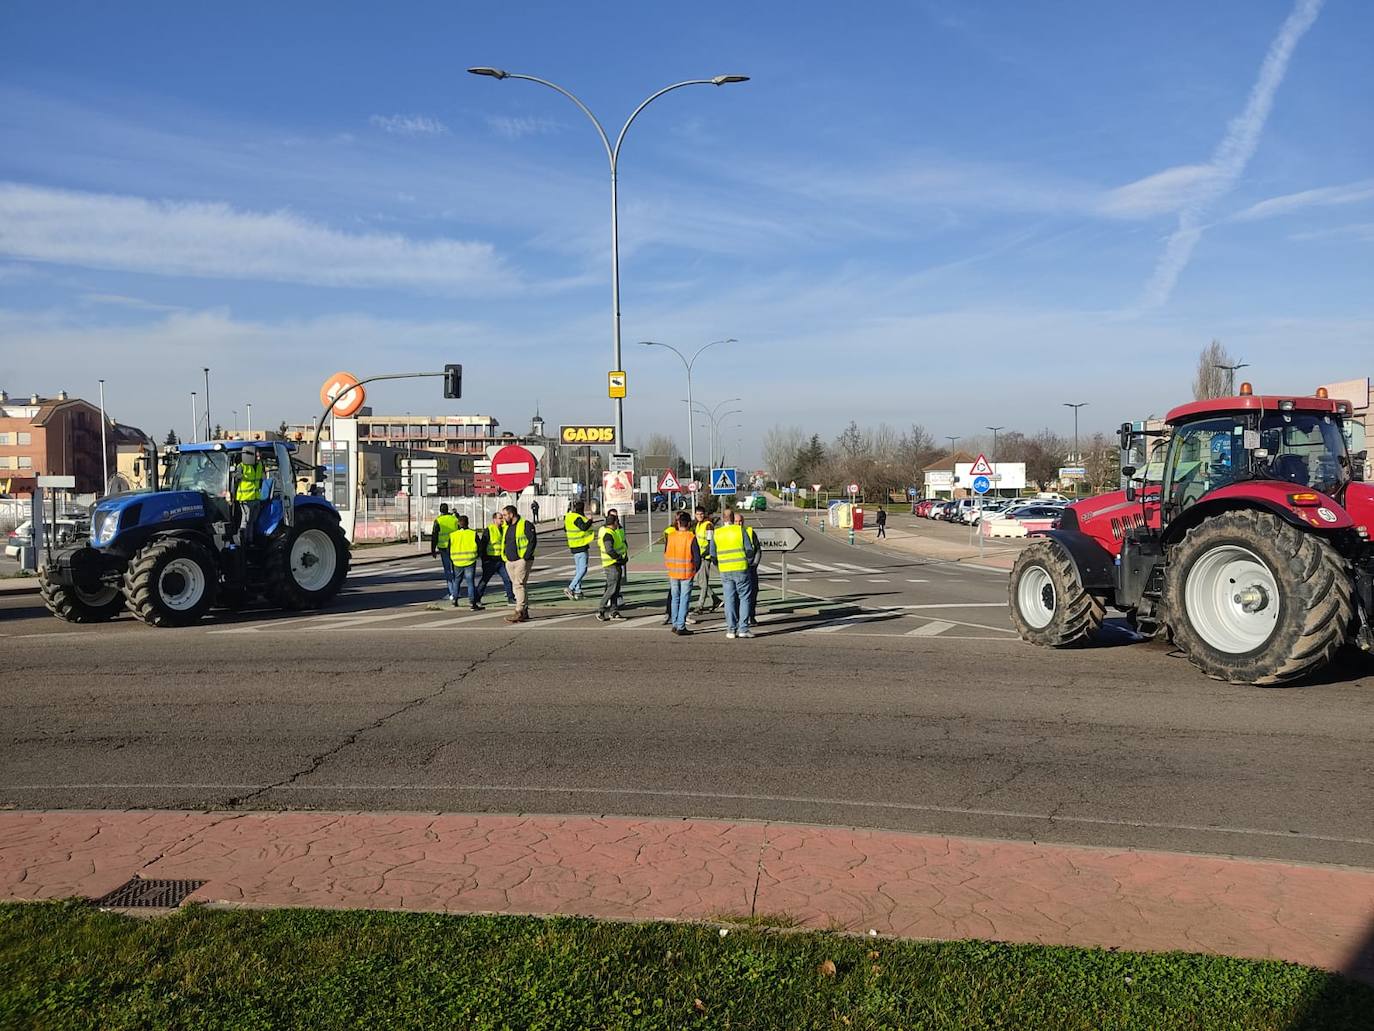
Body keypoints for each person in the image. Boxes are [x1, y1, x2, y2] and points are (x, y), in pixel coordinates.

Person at [712, 508, 756, 639]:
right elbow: (749, 550)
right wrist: (748, 563)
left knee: (729, 599)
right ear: (732, 519)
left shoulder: (717, 533)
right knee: (744, 598)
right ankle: (743, 629)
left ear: (722, 519)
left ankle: (731, 629)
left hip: (725, 570)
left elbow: (713, 554)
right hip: (741, 568)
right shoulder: (740, 530)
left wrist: (719, 565)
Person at [664, 511, 701, 635]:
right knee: (684, 599)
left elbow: (666, 552)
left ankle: (675, 623)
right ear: (689, 524)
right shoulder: (691, 537)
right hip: (687, 572)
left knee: (675, 598)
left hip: (673, 572)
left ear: (678, 523)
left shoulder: (671, 536)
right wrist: (695, 570)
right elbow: (697, 558)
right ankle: (681, 625)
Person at [502, 504, 537, 623]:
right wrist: (505, 557)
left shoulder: (525, 524)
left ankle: (519, 610)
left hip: (521, 560)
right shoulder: (507, 527)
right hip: (510, 560)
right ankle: (524, 611)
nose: (504, 517)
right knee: (517, 586)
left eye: (505, 515)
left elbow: (532, 540)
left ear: (511, 514)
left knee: (519, 584)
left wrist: (525, 557)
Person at [595, 509, 628, 621]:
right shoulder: (608, 533)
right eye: (616, 520)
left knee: (615, 589)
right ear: (613, 523)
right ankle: (601, 610)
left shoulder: (614, 531)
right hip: (611, 563)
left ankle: (613, 611)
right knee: (612, 589)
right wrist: (619, 558)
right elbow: (609, 549)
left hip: (615, 563)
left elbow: (622, 543)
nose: (618, 522)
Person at [477, 511, 516, 605]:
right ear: (494, 520)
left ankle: (511, 598)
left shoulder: (504, 529)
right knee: (485, 580)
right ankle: (477, 598)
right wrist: (484, 559)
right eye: (500, 518)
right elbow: (483, 544)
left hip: (501, 559)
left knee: (507, 579)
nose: (502, 520)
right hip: (490, 560)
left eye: (502, 518)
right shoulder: (489, 530)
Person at [233, 445, 267, 546]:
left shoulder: (260, 465)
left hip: (256, 497)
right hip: (245, 498)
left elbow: (262, 479)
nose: (258, 458)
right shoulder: (242, 466)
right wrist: (240, 476)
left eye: (259, 456)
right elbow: (236, 476)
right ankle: (242, 541)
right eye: (256, 456)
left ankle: (250, 540)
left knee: (252, 521)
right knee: (246, 520)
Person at [563, 501, 596, 600]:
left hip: (573, 546)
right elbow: (584, 527)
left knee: (578, 570)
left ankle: (578, 591)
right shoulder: (577, 518)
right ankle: (570, 588)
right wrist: (590, 520)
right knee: (583, 570)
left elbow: (565, 529)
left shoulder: (569, 517)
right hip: (581, 545)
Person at [691, 505, 719, 621]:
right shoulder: (698, 525)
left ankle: (699, 606)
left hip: (705, 557)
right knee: (699, 580)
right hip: (699, 556)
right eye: (697, 514)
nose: (699, 516)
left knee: (703, 581)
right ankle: (716, 599)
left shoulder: (708, 525)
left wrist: (704, 554)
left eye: (701, 514)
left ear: (704, 514)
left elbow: (710, 542)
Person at [448, 515, 482, 610]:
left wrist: (452, 559)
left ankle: (454, 600)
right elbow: (479, 547)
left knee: (457, 581)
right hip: (470, 561)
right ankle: (472, 602)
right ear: (468, 523)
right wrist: (478, 556)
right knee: (470, 582)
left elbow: (448, 548)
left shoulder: (453, 535)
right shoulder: (472, 534)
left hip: (457, 562)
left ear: (459, 523)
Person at [736, 510, 762, 629]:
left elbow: (757, 549)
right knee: (736, 595)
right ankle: (738, 618)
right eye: (736, 521)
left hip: (750, 569)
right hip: (736, 569)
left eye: (741, 521)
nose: (739, 523)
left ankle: (751, 616)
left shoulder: (750, 532)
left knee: (752, 593)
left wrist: (755, 564)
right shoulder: (730, 534)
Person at [430, 503, 460, 602]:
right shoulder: (454, 519)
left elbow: (434, 535)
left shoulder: (438, 520)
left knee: (448, 571)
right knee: (456, 570)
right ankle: (457, 591)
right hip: (454, 547)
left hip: (443, 548)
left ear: (440, 510)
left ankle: (452, 592)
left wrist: (433, 549)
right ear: (447, 510)